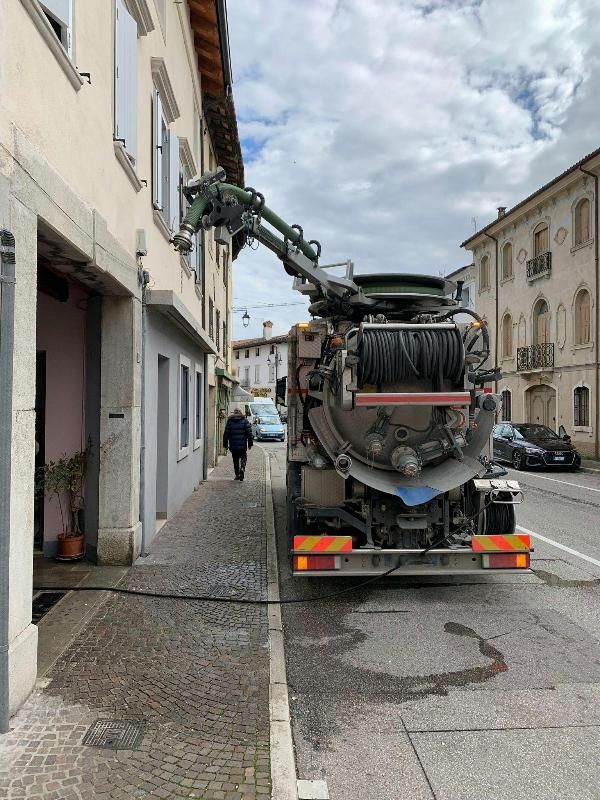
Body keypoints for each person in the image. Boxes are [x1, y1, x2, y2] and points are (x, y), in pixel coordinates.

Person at [223, 408, 253, 481]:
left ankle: (237, 475)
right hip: (242, 445)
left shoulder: (230, 421)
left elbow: (225, 434)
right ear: (240, 413)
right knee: (244, 457)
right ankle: (242, 467)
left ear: (234, 413)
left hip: (233, 445)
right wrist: (250, 444)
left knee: (235, 460)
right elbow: (249, 433)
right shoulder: (245, 421)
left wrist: (225, 445)